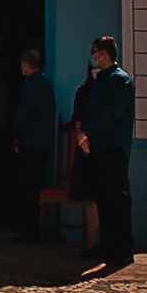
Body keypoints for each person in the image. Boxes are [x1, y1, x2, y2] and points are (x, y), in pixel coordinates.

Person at [78, 36, 137, 269]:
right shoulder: (101, 81)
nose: (93, 56)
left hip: (113, 147)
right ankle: (107, 245)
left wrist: (87, 132)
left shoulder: (119, 81)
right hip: (98, 148)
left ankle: (122, 249)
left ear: (103, 53)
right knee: (103, 200)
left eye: (95, 52)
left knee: (116, 200)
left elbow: (110, 113)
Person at [10, 49, 56, 242]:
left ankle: (31, 231)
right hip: (43, 143)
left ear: (25, 65)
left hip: (30, 142)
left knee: (29, 188)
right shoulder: (46, 84)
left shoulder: (31, 85)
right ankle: (36, 229)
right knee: (36, 186)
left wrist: (16, 134)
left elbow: (24, 113)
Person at [61, 65, 100, 248]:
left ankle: (91, 242)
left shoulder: (93, 91)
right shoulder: (88, 92)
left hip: (94, 148)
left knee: (92, 197)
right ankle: (91, 242)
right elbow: (77, 121)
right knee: (92, 197)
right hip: (92, 148)